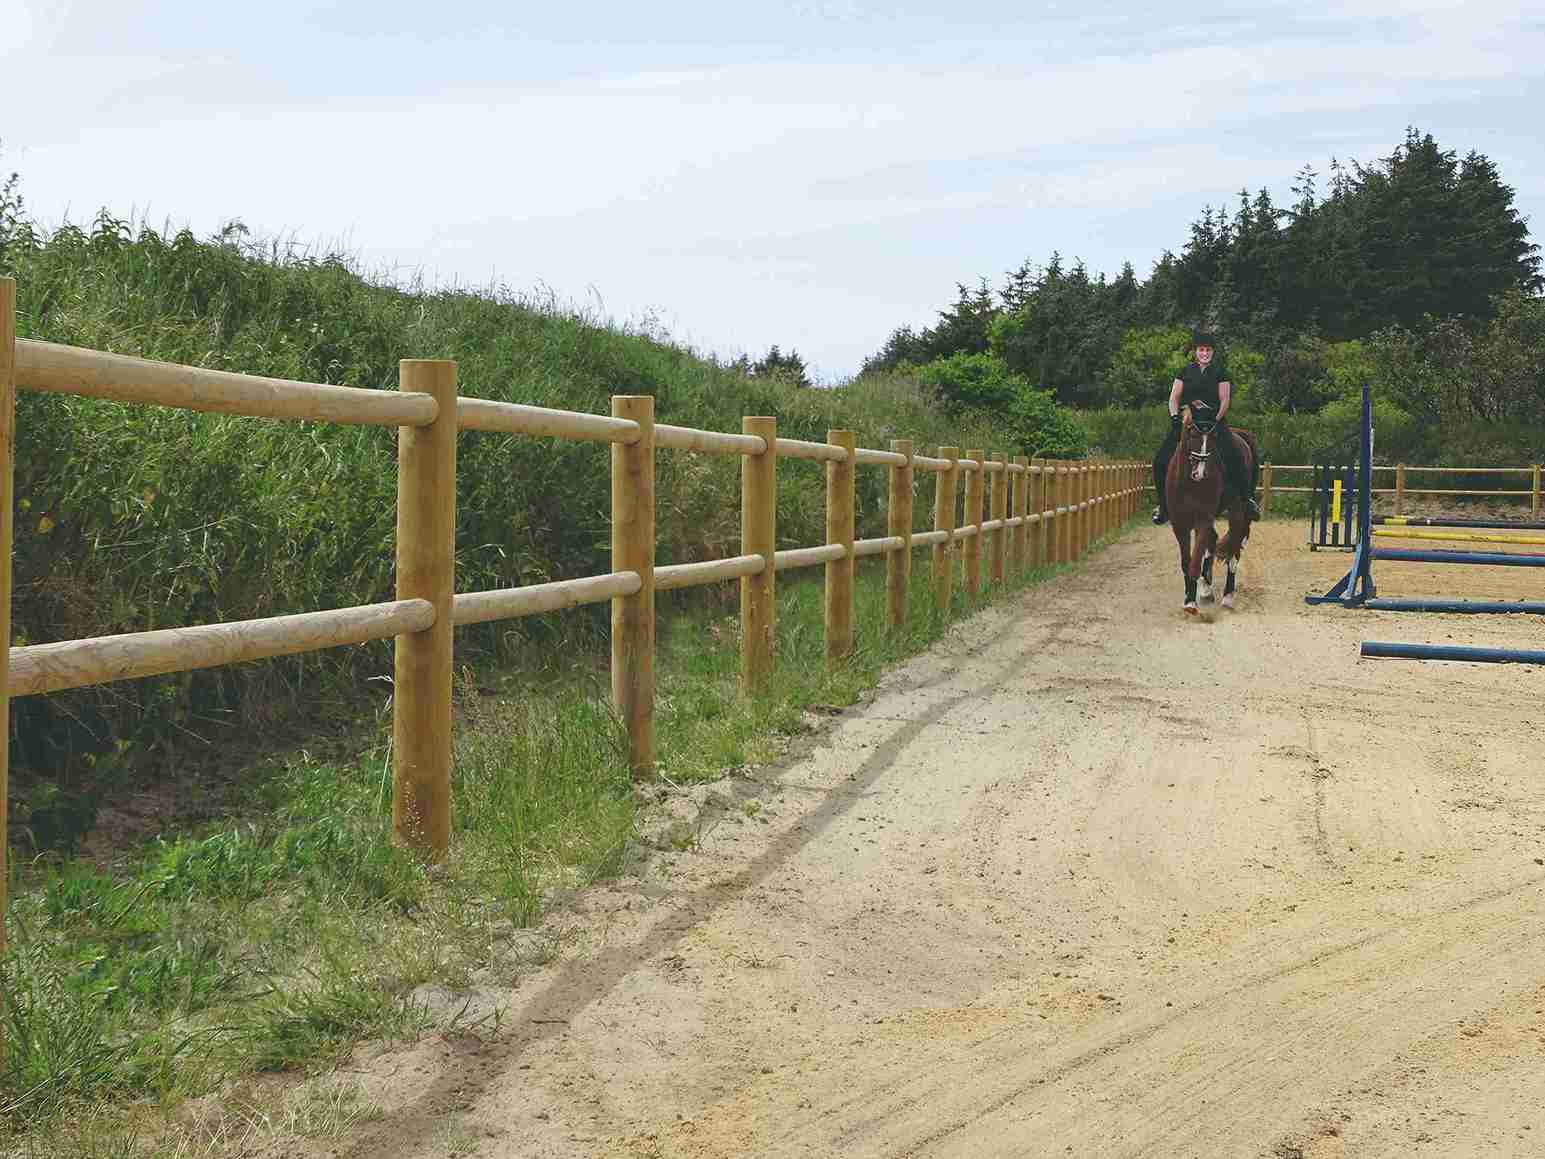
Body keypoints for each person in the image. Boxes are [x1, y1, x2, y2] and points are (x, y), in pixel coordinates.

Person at [1151, 331, 1260, 525]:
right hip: (1188, 422)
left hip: (1214, 422)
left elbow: (1225, 400)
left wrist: (1217, 419)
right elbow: (1174, 397)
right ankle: (1163, 506)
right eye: (1201, 350)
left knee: (1236, 456)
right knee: (1160, 460)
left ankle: (1247, 499)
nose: (1205, 353)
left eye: (1208, 350)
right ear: (1195, 352)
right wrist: (1175, 417)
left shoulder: (1221, 373)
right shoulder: (1184, 372)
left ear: (1212, 352)